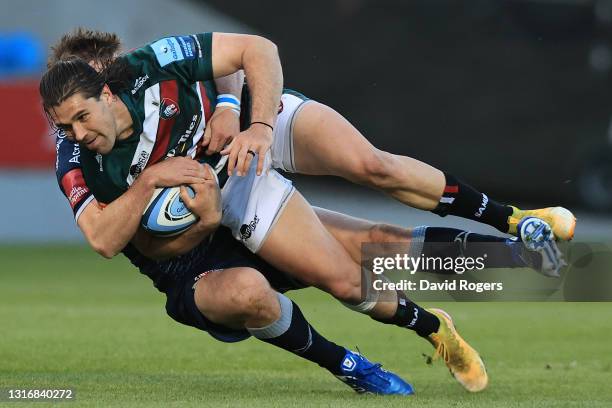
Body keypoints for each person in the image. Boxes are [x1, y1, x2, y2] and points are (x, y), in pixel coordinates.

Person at [42, 30, 566, 394]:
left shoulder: (146, 66)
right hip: (230, 193)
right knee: (360, 264)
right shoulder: (87, 161)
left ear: (106, 82)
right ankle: (452, 313)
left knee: (371, 164)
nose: (80, 131)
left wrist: (242, 116)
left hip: (257, 120)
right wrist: (195, 206)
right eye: (67, 124)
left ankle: (516, 222)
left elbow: (244, 55)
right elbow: (119, 240)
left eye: (86, 108)